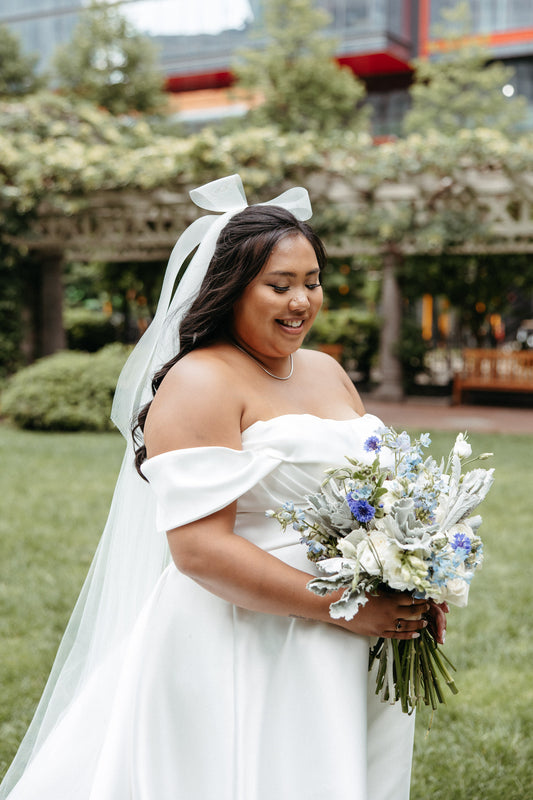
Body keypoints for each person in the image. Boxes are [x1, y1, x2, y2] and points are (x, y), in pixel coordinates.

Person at [0, 175, 445, 800]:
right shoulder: (201, 382)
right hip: (246, 633)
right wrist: (345, 606)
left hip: (352, 636)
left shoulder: (326, 370)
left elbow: (373, 492)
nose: (302, 302)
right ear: (231, 287)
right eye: (280, 285)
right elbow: (200, 551)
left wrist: (411, 582)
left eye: (312, 283)